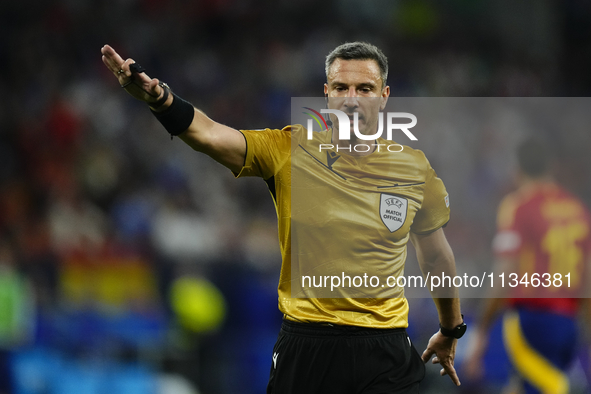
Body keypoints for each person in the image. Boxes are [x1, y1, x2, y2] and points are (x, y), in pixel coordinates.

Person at [101, 41, 464, 393]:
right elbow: (210, 135)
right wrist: (161, 100)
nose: (352, 98)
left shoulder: (414, 169)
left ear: (384, 97)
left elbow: (434, 256)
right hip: (308, 346)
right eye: (341, 87)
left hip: (387, 350)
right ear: (327, 94)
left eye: (365, 88)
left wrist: (450, 329)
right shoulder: (288, 151)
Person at [465, 138, 591, 394]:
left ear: (516, 169)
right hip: (568, 321)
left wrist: (482, 329)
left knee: (544, 387)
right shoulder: (578, 210)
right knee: (523, 386)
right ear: (552, 167)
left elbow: (506, 272)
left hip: (531, 319)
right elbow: (587, 278)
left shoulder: (519, 206)